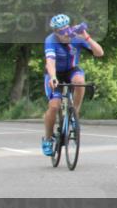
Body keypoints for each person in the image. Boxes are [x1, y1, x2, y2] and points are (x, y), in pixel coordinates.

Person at [41, 14, 103, 156]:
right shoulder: (50, 40)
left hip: (72, 70)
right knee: (54, 106)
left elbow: (100, 53)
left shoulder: (76, 37)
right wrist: (53, 77)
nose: (66, 34)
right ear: (56, 32)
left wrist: (86, 37)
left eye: (67, 29)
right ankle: (48, 139)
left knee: (80, 82)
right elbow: (50, 61)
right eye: (61, 32)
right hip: (55, 73)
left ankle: (75, 113)